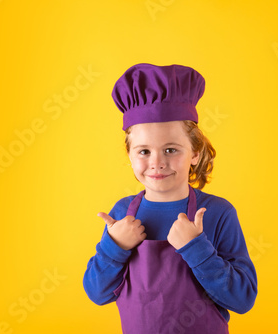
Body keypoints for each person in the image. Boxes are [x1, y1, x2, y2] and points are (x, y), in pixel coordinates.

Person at [83, 63, 257, 334]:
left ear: (195, 153)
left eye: (171, 149)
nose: (157, 163)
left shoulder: (218, 213)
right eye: (143, 152)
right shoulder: (121, 213)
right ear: (129, 156)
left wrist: (197, 248)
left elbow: (243, 299)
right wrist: (114, 246)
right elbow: (97, 293)